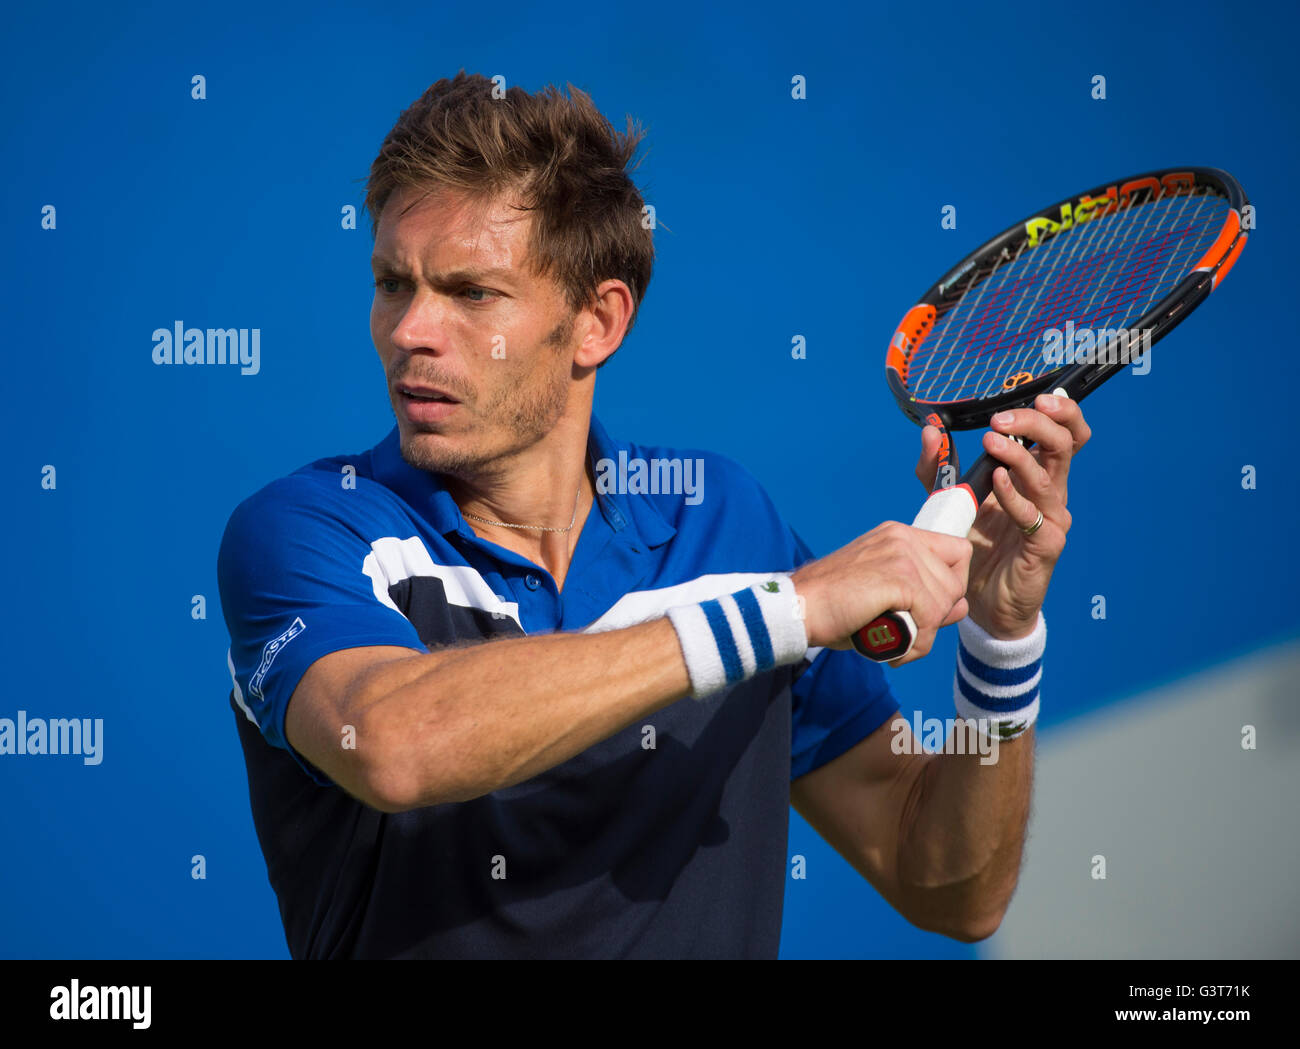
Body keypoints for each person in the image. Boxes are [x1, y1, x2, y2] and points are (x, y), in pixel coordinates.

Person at [217, 71, 1090, 959]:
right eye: (394, 284)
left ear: (598, 322)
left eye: (471, 293)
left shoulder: (729, 524)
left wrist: (1000, 639)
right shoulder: (307, 529)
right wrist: (786, 611)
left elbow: (947, 886)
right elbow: (397, 745)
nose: (411, 330)